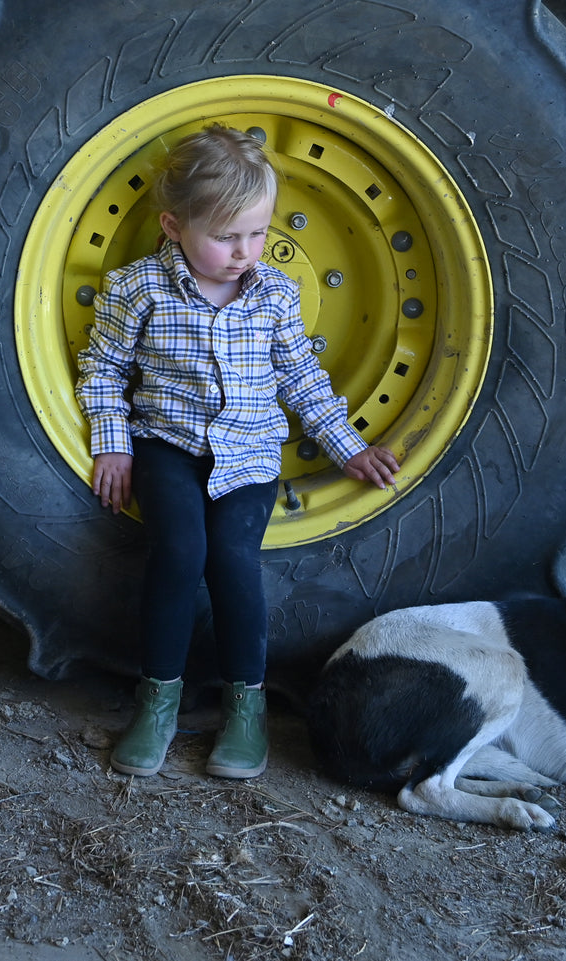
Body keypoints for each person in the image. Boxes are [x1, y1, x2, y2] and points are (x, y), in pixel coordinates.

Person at [75, 124, 400, 780]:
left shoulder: (275, 294)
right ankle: (157, 699)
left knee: (230, 557)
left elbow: (303, 381)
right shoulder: (139, 289)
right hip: (167, 447)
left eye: (256, 232)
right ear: (173, 225)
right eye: (225, 237)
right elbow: (102, 367)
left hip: (248, 456)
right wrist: (112, 446)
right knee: (179, 551)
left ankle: (243, 708)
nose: (244, 251)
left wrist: (348, 448)